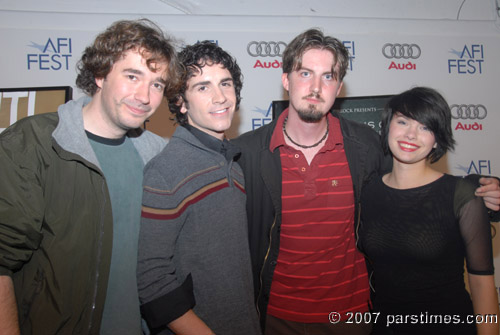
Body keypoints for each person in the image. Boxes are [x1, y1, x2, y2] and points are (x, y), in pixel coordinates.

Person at [233, 28, 500, 335]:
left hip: (353, 319)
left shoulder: (364, 146)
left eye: (328, 76)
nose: (316, 87)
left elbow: (416, 183)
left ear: (339, 87)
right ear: (286, 80)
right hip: (275, 319)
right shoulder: (248, 154)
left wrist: (482, 192)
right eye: (305, 73)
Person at [0, 19, 181, 334]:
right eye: (132, 76)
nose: (145, 96)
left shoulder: (158, 155)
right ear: (100, 74)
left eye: (157, 84)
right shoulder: (34, 143)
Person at [137, 41, 261, 335]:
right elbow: (150, 278)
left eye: (225, 84)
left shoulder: (231, 161)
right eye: (203, 87)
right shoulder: (165, 170)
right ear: (181, 101)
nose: (220, 97)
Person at [358, 86, 499, 334]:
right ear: (387, 126)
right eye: (403, 122)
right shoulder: (367, 192)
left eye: (425, 127)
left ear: (437, 140)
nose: (411, 134)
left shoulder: (461, 195)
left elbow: (481, 283)